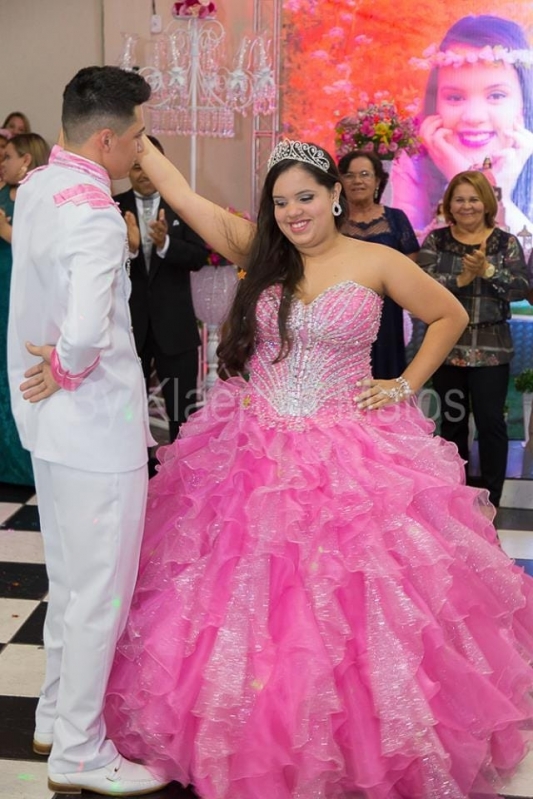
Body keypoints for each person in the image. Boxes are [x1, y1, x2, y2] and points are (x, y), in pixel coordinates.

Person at [104, 138, 533, 799]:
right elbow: (185, 197)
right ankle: (248, 730)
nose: (293, 213)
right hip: (251, 444)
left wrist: (403, 381)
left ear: (336, 194)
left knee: (356, 597)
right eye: (279, 203)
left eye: (305, 197)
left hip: (349, 447)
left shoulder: (378, 259)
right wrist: (136, 134)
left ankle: (349, 742)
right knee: (240, 591)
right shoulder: (264, 254)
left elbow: (446, 315)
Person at [7, 66, 168, 796]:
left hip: (47, 426)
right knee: (101, 590)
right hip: (97, 430)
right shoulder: (98, 212)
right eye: (136, 136)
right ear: (105, 138)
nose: (141, 148)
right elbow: (83, 334)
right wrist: (69, 368)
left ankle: (51, 714)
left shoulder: (37, 183)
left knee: (71, 581)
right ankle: (79, 749)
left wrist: (53, 376)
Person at [418, 170, 529, 508]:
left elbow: (522, 289)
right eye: (460, 199)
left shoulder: (505, 242)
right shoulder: (436, 241)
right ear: (449, 204)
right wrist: (462, 277)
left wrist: (488, 271)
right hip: (446, 348)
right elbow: (422, 287)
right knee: (451, 424)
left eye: (474, 199)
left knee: (491, 423)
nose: (467, 206)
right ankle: (456, 497)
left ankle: (491, 499)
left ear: (487, 203)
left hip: (492, 350)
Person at [392, 15, 533, 236]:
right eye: (455, 98)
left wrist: (498, 199)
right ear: (436, 102)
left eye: (496, 95)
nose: (474, 116)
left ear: (523, 103)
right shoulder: (414, 165)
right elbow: (405, 264)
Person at [113, 134, 208, 445]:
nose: (143, 173)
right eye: (136, 167)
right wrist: (131, 247)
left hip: (175, 329)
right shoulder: (114, 206)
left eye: (149, 166)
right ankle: (137, 472)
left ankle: (182, 477)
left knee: (182, 412)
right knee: (127, 412)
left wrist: (165, 243)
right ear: (129, 168)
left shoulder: (182, 204)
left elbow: (198, 257)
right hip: (129, 329)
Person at [338, 149, 419, 378]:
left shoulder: (396, 218)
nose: (357, 181)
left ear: (377, 181)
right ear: (341, 182)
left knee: (385, 376)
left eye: (364, 174)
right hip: (342, 311)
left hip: (386, 311)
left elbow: (411, 265)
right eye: (350, 175)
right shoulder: (331, 222)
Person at [0, 133, 50, 486]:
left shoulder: (41, 198)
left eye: (8, 156)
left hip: (23, 296)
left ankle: (27, 463)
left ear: (26, 160)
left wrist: (4, 230)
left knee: (21, 371)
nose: (2, 163)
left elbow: (43, 251)